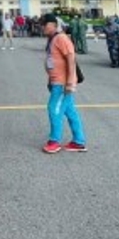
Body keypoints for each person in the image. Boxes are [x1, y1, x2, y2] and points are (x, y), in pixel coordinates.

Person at [41, 13, 86, 154]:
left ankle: (54, 141)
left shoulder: (61, 38)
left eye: (45, 24)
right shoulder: (52, 39)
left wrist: (70, 82)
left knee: (53, 109)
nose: (42, 27)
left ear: (53, 25)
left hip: (62, 83)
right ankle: (79, 141)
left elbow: (71, 59)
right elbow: (52, 61)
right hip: (57, 82)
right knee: (70, 111)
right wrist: (50, 79)